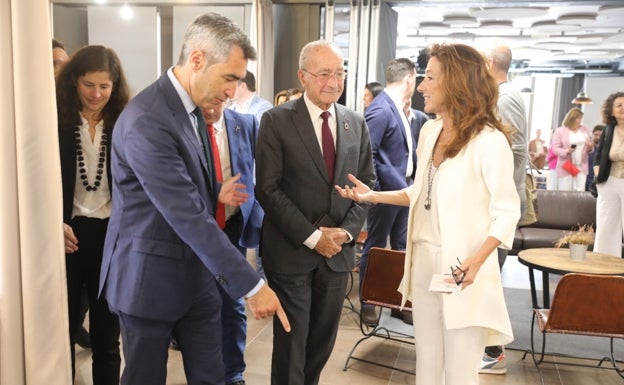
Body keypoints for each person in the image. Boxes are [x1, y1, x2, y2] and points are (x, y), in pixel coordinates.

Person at [99, 13, 290, 385]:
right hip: (148, 281)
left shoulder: (192, 110)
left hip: (198, 280)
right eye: (230, 78)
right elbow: (187, 213)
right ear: (198, 60)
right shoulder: (148, 119)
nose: (233, 91)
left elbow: (194, 190)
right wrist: (253, 285)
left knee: (212, 376)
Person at [335, 43, 519, 385]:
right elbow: (421, 192)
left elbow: (507, 211)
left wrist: (476, 262)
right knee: (428, 368)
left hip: (463, 271)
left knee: (461, 374)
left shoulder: (489, 141)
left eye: (430, 77)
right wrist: (371, 195)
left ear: (456, 82)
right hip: (422, 265)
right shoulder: (430, 131)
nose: (420, 86)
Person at [255, 40, 375, 385]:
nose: (333, 83)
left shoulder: (355, 122)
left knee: (322, 345)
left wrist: (346, 233)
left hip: (337, 255)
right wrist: (312, 238)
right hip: (291, 252)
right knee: (292, 345)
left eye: (339, 74)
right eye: (324, 74)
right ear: (303, 76)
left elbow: (366, 186)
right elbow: (268, 188)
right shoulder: (276, 121)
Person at [57, 44, 130, 384]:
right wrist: (52, 223)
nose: (97, 93)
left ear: (115, 85)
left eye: (105, 86)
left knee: (106, 333)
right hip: (65, 236)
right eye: (89, 84)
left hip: (110, 238)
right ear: (74, 81)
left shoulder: (125, 123)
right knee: (62, 331)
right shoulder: (55, 121)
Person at [202, 102, 264, 385]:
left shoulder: (246, 123)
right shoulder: (184, 124)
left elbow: (259, 171)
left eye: (220, 102)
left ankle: (234, 372)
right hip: (197, 227)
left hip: (233, 225)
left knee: (232, 301)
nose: (213, 108)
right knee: (198, 300)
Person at [358, 58, 417, 326]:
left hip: (403, 192)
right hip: (384, 194)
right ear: (409, 79)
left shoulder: (397, 108)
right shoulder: (381, 109)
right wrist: (376, 193)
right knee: (376, 246)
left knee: (402, 248)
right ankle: (368, 301)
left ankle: (398, 301)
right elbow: (366, 154)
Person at [481, 42, 528, 374]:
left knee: (488, 280)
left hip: (499, 206)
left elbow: (512, 152)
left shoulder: (506, 97)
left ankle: (493, 351)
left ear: (489, 62)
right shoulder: (502, 94)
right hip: (495, 204)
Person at [593, 91, 624, 258]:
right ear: (611, 111)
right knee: (606, 227)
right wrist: (598, 174)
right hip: (608, 182)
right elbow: (598, 157)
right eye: (619, 105)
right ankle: (602, 265)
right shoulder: (608, 130)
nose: (623, 108)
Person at [552, 107, 594, 191]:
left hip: (581, 166)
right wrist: (567, 151)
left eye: (581, 118)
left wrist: (590, 147)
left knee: (580, 191)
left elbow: (590, 148)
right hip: (566, 165)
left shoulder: (584, 130)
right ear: (572, 118)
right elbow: (555, 148)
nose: (580, 121)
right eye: (578, 118)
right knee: (565, 191)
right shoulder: (560, 131)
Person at [585, 124, 604, 193]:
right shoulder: (587, 148)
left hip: (598, 183)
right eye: (596, 135)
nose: (598, 137)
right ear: (592, 134)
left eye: (600, 135)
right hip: (585, 181)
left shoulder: (604, 150)